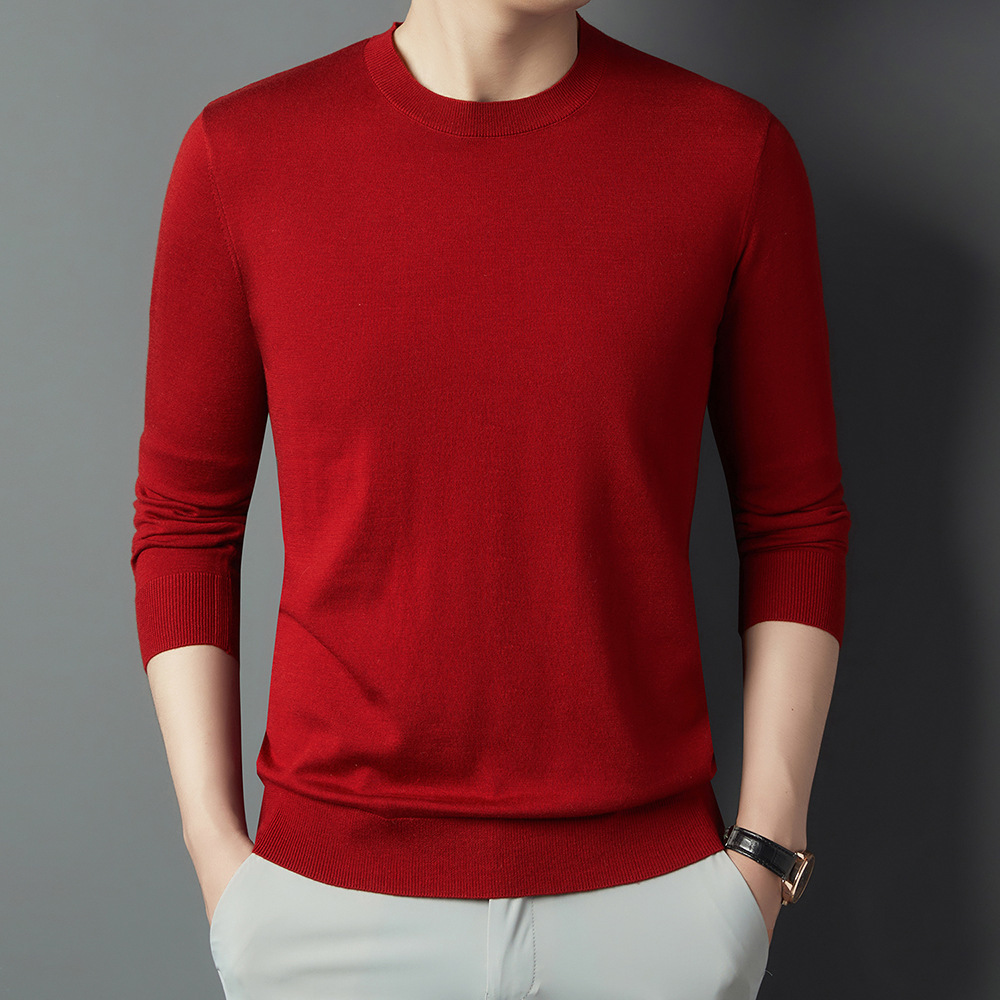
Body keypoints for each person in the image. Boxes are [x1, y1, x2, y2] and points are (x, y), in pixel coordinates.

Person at [130, 1, 850, 997]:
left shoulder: (730, 154)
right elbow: (185, 522)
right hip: (327, 904)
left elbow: (793, 522)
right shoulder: (244, 153)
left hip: (653, 910)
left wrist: (766, 854)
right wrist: (218, 853)